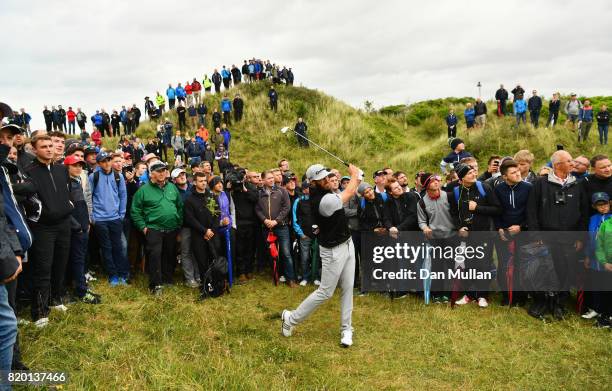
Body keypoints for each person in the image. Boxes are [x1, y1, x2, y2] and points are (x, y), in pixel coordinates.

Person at [281, 163, 361, 348]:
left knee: (348, 287)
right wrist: (355, 176)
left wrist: (356, 178)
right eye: (322, 178)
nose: (327, 179)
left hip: (346, 243)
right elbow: (348, 194)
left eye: (327, 176)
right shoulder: (322, 201)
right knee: (325, 292)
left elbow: (345, 191)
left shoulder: (326, 191)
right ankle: (291, 319)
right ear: (313, 182)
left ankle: (346, 328)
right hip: (333, 250)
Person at [527, 150, 590, 320]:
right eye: (569, 161)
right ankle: (541, 302)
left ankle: (559, 304)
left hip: (568, 239)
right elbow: (531, 211)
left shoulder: (578, 184)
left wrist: (579, 237)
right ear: (557, 165)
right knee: (542, 270)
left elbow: (584, 213)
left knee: (564, 270)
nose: (573, 164)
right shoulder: (540, 184)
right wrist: (535, 235)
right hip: (544, 237)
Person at [23, 134, 73, 326]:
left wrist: (68, 206)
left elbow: (67, 192)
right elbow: (28, 199)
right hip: (43, 227)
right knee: (43, 269)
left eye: (51, 145)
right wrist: (42, 212)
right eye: (44, 146)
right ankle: (40, 312)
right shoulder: (29, 170)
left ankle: (55, 300)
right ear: (35, 150)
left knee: (60, 265)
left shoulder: (62, 170)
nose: (49, 149)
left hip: (64, 224)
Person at [448, 163, 501, 308]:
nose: (473, 174)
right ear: (461, 178)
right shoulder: (456, 192)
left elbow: (497, 209)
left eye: (473, 171)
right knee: (469, 265)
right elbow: (453, 214)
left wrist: (477, 208)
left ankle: (482, 296)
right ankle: (469, 294)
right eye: (469, 173)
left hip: (484, 233)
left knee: (483, 265)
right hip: (466, 236)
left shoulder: (484, 187)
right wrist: (459, 227)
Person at [131, 162, 183, 295]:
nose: (162, 173)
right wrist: (143, 227)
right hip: (153, 229)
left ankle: (167, 279)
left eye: (164, 170)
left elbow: (179, 206)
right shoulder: (143, 190)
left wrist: (179, 224)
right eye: (159, 171)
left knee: (169, 255)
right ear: (151, 174)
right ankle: (156, 285)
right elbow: (135, 211)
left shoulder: (172, 187)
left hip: (172, 228)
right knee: (155, 256)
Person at [494, 160, 532, 306]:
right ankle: (507, 296)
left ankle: (521, 297)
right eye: (513, 173)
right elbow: (497, 211)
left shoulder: (529, 187)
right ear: (504, 176)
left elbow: (532, 212)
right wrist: (499, 228)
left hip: (523, 232)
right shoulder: (498, 189)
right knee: (504, 265)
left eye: (518, 171)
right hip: (504, 233)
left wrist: (521, 227)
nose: (518, 174)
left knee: (521, 264)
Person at [64, 155, 101, 304]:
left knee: (80, 259)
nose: (78, 168)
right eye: (75, 165)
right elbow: (66, 209)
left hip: (83, 228)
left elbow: (82, 206)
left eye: (80, 165)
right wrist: (77, 227)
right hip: (75, 230)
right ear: (67, 167)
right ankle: (81, 291)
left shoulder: (77, 181)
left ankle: (81, 287)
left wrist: (86, 224)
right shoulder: (65, 184)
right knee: (77, 260)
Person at [90, 151, 129, 286]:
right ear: (99, 163)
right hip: (100, 219)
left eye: (108, 160)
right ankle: (112, 275)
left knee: (118, 247)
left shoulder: (119, 176)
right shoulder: (93, 176)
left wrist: (121, 214)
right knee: (106, 248)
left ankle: (122, 274)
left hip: (115, 218)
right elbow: (88, 197)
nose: (107, 163)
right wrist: (92, 217)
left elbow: (123, 195)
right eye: (103, 161)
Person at [417, 173, 457, 303]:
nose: (436, 182)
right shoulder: (422, 202)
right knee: (437, 266)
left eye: (437, 180)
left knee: (452, 265)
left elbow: (457, 215)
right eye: (432, 181)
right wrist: (425, 228)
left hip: (452, 236)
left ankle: (450, 294)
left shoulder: (449, 196)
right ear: (426, 186)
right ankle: (437, 294)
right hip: (435, 238)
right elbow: (421, 221)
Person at [256, 170, 296, 286]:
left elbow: (286, 207)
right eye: (268, 178)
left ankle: (291, 279)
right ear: (263, 180)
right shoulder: (259, 193)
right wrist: (265, 220)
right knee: (271, 253)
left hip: (281, 227)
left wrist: (276, 221)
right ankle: (276, 276)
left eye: (272, 178)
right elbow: (257, 209)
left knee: (286, 253)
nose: (272, 180)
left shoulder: (282, 191)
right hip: (266, 228)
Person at [183, 172, 217, 299]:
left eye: (204, 181)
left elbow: (217, 214)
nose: (203, 183)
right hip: (198, 235)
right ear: (195, 182)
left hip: (212, 234)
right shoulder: (189, 199)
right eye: (200, 181)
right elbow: (190, 219)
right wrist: (204, 231)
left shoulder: (211, 196)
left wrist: (212, 230)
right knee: (202, 262)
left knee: (213, 259)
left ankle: (215, 283)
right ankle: (205, 286)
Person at [584, 192, 610, 327]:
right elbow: (590, 239)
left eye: (605, 204)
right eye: (599, 205)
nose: (603, 207)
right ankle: (598, 309)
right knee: (597, 285)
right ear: (594, 206)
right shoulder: (593, 219)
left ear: (609, 203)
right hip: (595, 259)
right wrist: (588, 256)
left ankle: (607, 314)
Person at [172, 168, 199, 288]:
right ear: (174, 180)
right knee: (186, 252)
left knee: (197, 251)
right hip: (184, 227)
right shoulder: (173, 192)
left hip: (197, 226)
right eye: (179, 175)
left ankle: (198, 276)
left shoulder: (193, 189)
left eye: (183, 174)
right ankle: (190, 278)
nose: (182, 176)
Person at [231, 170, 258, 284]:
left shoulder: (250, 186)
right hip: (238, 223)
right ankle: (241, 272)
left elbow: (255, 198)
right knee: (240, 248)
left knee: (250, 248)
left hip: (251, 223)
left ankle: (249, 270)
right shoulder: (232, 188)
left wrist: (245, 190)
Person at [594, 207, 612, 327]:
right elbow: (599, 246)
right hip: (608, 266)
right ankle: (606, 317)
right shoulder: (605, 225)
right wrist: (604, 262)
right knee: (606, 292)